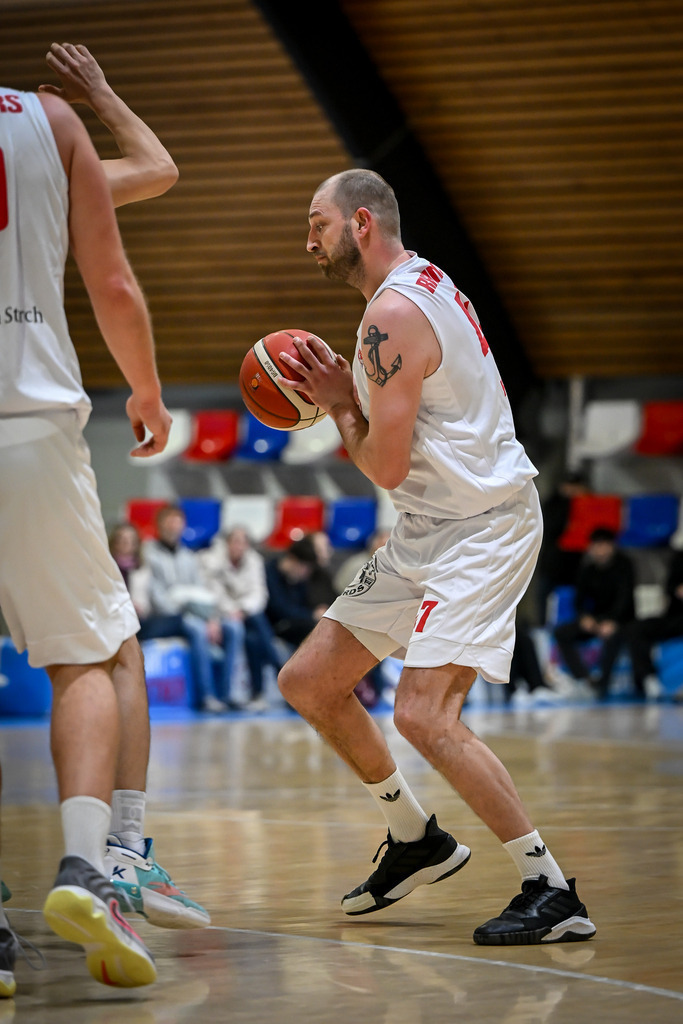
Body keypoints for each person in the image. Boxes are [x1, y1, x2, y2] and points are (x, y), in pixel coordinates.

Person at [275, 168, 596, 945]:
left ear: (359, 223)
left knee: (422, 713)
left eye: (314, 222)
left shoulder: (388, 315)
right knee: (309, 681)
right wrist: (347, 397)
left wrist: (339, 404)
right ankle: (418, 839)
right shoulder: (422, 279)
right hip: (431, 524)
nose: (303, 238)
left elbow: (381, 466)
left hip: (483, 526)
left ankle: (550, 888)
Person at [0, 79, 170, 988]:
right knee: (92, 655)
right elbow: (111, 279)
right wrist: (144, 389)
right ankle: (89, 865)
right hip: (27, 426)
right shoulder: (46, 121)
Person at [142, 505, 241, 712]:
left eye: (177, 522)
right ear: (159, 525)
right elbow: (156, 597)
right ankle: (206, 696)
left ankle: (227, 693)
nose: (173, 527)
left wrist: (211, 618)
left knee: (233, 627)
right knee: (195, 627)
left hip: (192, 613)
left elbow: (201, 593)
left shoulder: (189, 557)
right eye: (169, 522)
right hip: (162, 618)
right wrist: (188, 611)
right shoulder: (148, 554)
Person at [200, 526, 283, 712]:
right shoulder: (211, 560)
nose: (238, 546)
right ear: (227, 543)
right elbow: (213, 593)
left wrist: (242, 610)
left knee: (254, 637)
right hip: (221, 614)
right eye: (235, 541)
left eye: (243, 541)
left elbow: (259, 594)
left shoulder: (255, 561)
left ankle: (258, 694)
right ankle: (278, 668)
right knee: (254, 626)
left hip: (247, 614)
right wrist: (233, 611)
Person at [554, 527, 635, 697]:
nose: (600, 550)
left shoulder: (625, 566)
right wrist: (585, 617)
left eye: (603, 545)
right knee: (562, 632)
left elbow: (625, 599)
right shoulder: (587, 569)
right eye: (596, 546)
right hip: (597, 619)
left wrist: (613, 621)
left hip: (622, 620)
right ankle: (583, 678)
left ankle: (602, 684)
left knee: (614, 637)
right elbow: (579, 600)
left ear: (612, 546)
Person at [625, 545, 683, 698]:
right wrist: (677, 589)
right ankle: (648, 678)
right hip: (675, 617)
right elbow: (669, 587)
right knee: (636, 628)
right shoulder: (680, 558)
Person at [265, 537, 322, 649]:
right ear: (294, 560)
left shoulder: (299, 581)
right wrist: (312, 615)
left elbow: (305, 604)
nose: (306, 574)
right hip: (274, 627)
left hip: (293, 626)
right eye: (306, 568)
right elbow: (280, 609)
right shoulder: (269, 573)